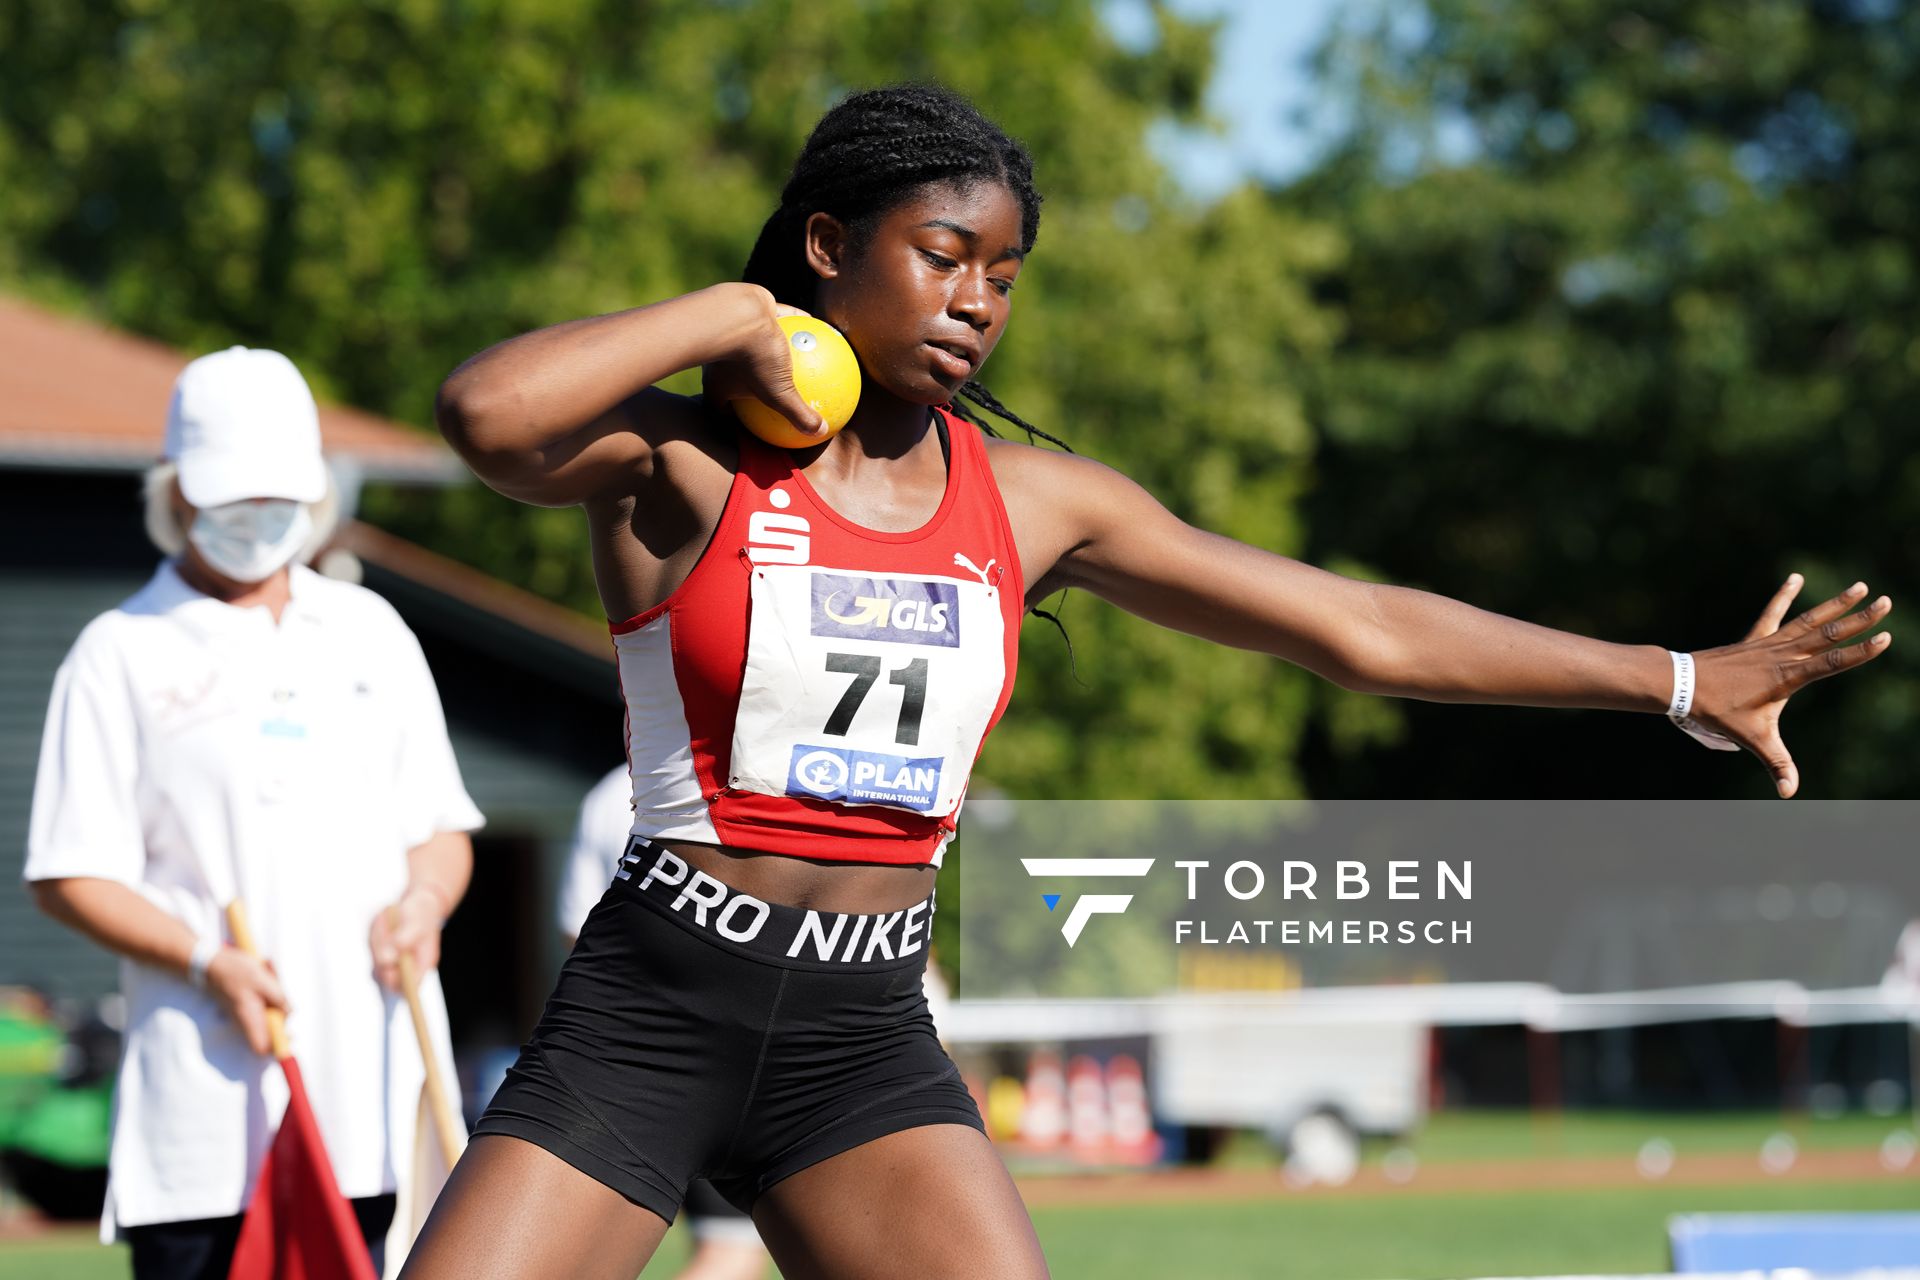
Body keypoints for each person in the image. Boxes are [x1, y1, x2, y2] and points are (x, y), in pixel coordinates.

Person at [401, 84, 1892, 1280]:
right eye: (941, 256)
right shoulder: (682, 460)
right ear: (825, 245)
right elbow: (484, 410)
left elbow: (1359, 629)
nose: (978, 300)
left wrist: (1678, 677)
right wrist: (729, 321)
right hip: (658, 1006)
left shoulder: (1036, 505)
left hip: (860, 1040)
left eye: (1004, 275)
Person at [24, 346, 486, 1280]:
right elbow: (69, 871)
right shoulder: (117, 653)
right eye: (230, 495)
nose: (255, 518)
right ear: (179, 492)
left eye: (276, 492)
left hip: (369, 1091)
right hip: (203, 1108)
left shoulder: (370, 631)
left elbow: (438, 828)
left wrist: (424, 905)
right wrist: (208, 961)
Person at [556, 767, 771, 1280]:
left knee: (591, 1256)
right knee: (731, 1252)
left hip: (622, 1055)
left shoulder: (604, 795)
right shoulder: (744, 778)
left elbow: (576, 935)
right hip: (724, 1056)